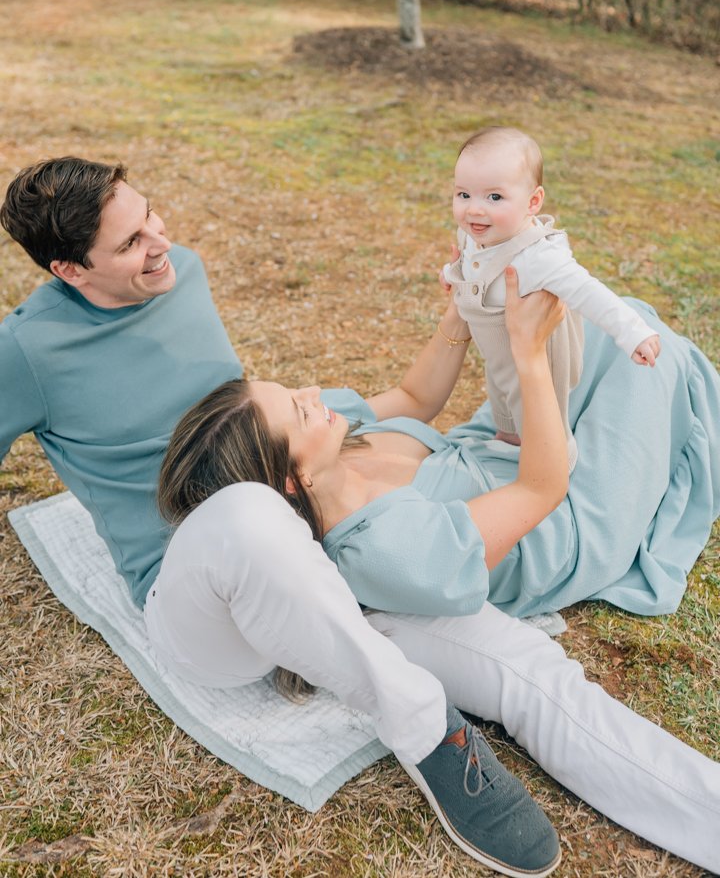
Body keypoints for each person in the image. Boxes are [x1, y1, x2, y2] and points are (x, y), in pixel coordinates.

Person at [1, 160, 718, 874]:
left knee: (533, 676)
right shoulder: (26, 349)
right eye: (128, 244)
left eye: (151, 216)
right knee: (246, 513)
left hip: (321, 535)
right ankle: (428, 729)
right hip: (197, 581)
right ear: (69, 269)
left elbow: (401, 403)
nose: (159, 242)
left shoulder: (179, 269)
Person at [442, 126, 661, 468]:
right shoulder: (477, 234)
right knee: (503, 394)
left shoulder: (538, 257)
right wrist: (451, 274)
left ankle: (558, 458)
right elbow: (472, 264)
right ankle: (510, 437)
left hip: (540, 354)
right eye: (463, 195)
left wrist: (633, 332)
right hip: (498, 349)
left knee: (537, 410)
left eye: (494, 197)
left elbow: (588, 291)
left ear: (533, 202)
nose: (474, 209)